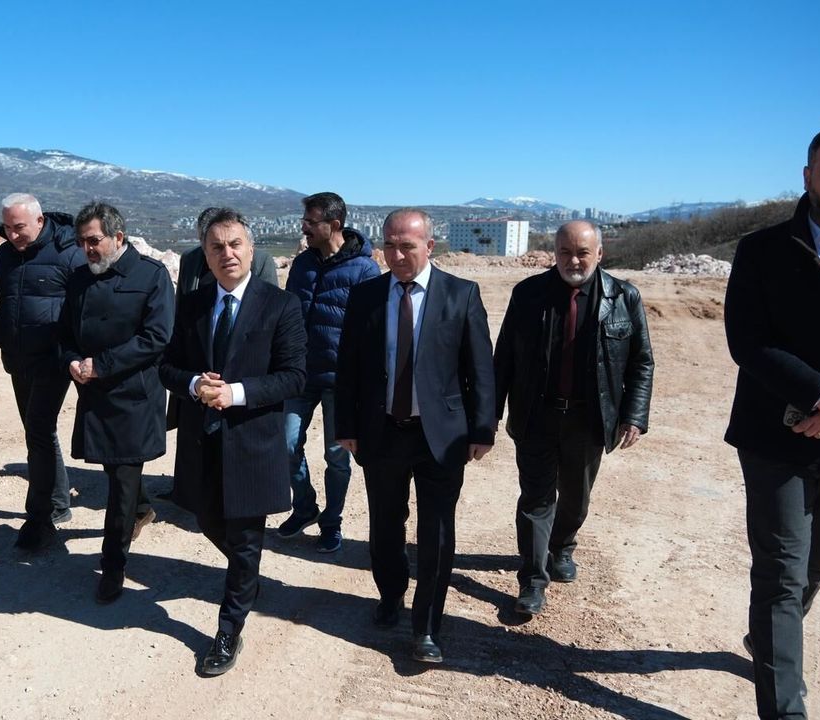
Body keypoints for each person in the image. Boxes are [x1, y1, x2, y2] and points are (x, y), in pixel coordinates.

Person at [724, 119, 820, 719]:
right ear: (808, 176)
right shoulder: (762, 250)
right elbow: (749, 342)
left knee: (817, 563)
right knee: (781, 575)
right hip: (776, 435)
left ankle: (768, 640)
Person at [334, 208, 495, 664]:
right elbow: (348, 367)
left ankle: (427, 626)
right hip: (382, 432)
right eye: (390, 245)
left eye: (407, 245)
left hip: (440, 436)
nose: (398, 255)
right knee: (385, 526)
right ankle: (391, 595)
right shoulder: (366, 296)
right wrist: (346, 426)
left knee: (437, 532)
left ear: (430, 246)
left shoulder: (461, 294)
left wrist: (483, 428)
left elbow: (480, 369)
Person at [159, 207, 306, 675]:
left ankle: (228, 630)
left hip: (252, 441)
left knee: (244, 540)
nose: (228, 253)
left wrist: (235, 393)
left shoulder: (280, 305)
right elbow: (166, 366)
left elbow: (294, 376)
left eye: (235, 244)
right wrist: (193, 384)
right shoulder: (193, 304)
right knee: (206, 519)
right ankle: (248, 575)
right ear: (205, 255)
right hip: (202, 442)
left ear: (251, 248)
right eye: (217, 247)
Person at [493, 220, 654, 617]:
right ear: (555, 253)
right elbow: (504, 359)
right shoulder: (528, 294)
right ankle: (532, 580)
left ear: (599, 253)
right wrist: (488, 415)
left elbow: (641, 362)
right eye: (565, 252)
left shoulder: (624, 297)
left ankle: (562, 546)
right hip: (536, 414)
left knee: (576, 497)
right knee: (536, 498)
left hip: (589, 419)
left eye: (582, 252)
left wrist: (634, 415)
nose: (573, 260)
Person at [58, 202, 172, 601]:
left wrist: (102, 365)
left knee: (121, 483)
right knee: (114, 471)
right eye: (81, 242)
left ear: (118, 237)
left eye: (94, 241)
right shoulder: (78, 279)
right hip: (94, 394)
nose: (87, 249)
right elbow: (65, 333)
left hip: (133, 397)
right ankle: (142, 508)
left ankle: (112, 566)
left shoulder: (152, 275)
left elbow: (157, 337)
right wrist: (71, 360)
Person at [277, 191, 379, 552]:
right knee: (286, 444)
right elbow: (288, 315)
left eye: (310, 222)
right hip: (300, 374)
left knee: (337, 457)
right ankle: (304, 506)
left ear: (334, 224)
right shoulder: (302, 264)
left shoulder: (365, 270)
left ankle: (331, 522)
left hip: (341, 380)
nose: (303, 228)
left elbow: (372, 330)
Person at [0, 193, 85, 549]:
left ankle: (45, 511)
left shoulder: (68, 253)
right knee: (37, 431)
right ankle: (58, 502)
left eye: (19, 227)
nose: (13, 235)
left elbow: (83, 303)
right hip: (19, 357)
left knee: (40, 428)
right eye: (7, 228)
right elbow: (6, 300)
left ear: (40, 221)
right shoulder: (4, 255)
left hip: (53, 357)